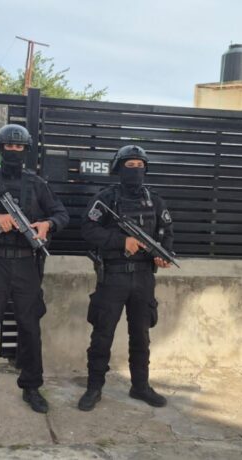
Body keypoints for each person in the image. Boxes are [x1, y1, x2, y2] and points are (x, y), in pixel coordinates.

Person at [0, 124, 69, 414]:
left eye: (19, 147)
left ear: (26, 150)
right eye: (9, 146)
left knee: (30, 327)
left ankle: (31, 386)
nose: (14, 151)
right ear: (0, 148)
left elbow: (61, 214)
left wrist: (47, 224)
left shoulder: (37, 184)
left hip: (26, 263)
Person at [77, 145, 174, 411]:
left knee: (141, 336)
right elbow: (88, 229)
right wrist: (122, 241)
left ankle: (140, 386)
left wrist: (163, 255)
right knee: (102, 335)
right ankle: (94, 387)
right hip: (113, 277)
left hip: (144, 278)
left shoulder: (155, 201)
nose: (135, 170)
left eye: (140, 166)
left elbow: (167, 232)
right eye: (130, 165)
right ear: (119, 169)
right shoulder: (105, 199)